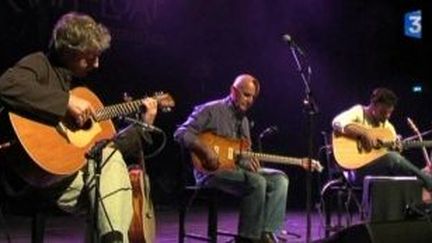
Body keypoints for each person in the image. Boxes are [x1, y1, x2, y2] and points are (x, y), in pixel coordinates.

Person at [0, 12, 158, 242]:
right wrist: (65, 103)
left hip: (73, 179)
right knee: (112, 179)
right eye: (89, 57)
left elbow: (110, 144)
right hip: (33, 179)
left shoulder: (82, 87)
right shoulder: (40, 64)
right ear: (67, 52)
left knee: (109, 163)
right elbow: (6, 85)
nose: (96, 64)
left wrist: (144, 126)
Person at [174, 74, 291, 243]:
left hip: (236, 171)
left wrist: (247, 161)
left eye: (253, 97)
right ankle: (247, 239)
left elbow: (242, 155)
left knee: (280, 179)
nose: (250, 100)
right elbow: (181, 133)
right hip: (210, 173)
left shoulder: (244, 122)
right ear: (233, 91)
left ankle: (266, 234)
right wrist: (204, 149)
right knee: (257, 182)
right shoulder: (211, 110)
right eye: (246, 94)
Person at [332, 87, 432, 189]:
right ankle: (428, 182)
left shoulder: (388, 128)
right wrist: (363, 133)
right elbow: (337, 122)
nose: (387, 116)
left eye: (390, 113)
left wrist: (396, 149)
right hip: (356, 172)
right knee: (392, 158)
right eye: (383, 112)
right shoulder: (359, 112)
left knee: (396, 161)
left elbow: (392, 160)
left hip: (380, 176)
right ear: (373, 105)